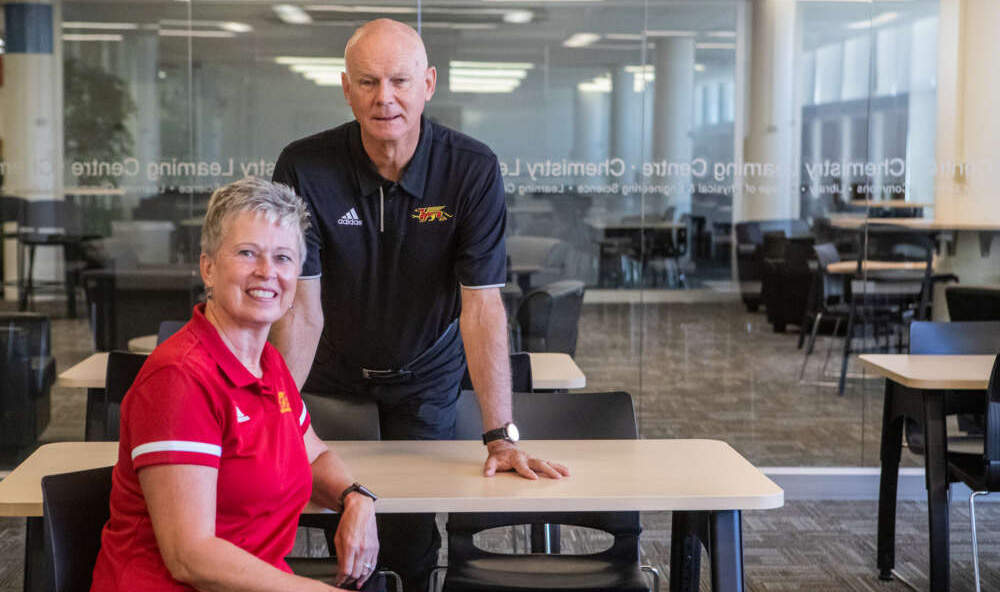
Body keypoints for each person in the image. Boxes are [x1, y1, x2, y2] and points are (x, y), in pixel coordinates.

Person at [271, 18, 569, 592]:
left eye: (400, 80)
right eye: (368, 81)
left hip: (425, 376)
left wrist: (500, 435)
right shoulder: (305, 167)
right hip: (331, 374)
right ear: (346, 88)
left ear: (428, 83)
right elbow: (301, 310)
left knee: (409, 535)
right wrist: (274, 417)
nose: (385, 97)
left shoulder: (470, 168)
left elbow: (481, 308)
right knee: (322, 518)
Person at [90, 177, 379, 592]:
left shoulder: (269, 364)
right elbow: (190, 556)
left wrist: (356, 498)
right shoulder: (179, 378)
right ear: (208, 267)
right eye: (247, 253)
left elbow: (313, 457)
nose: (267, 272)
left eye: (283, 258)